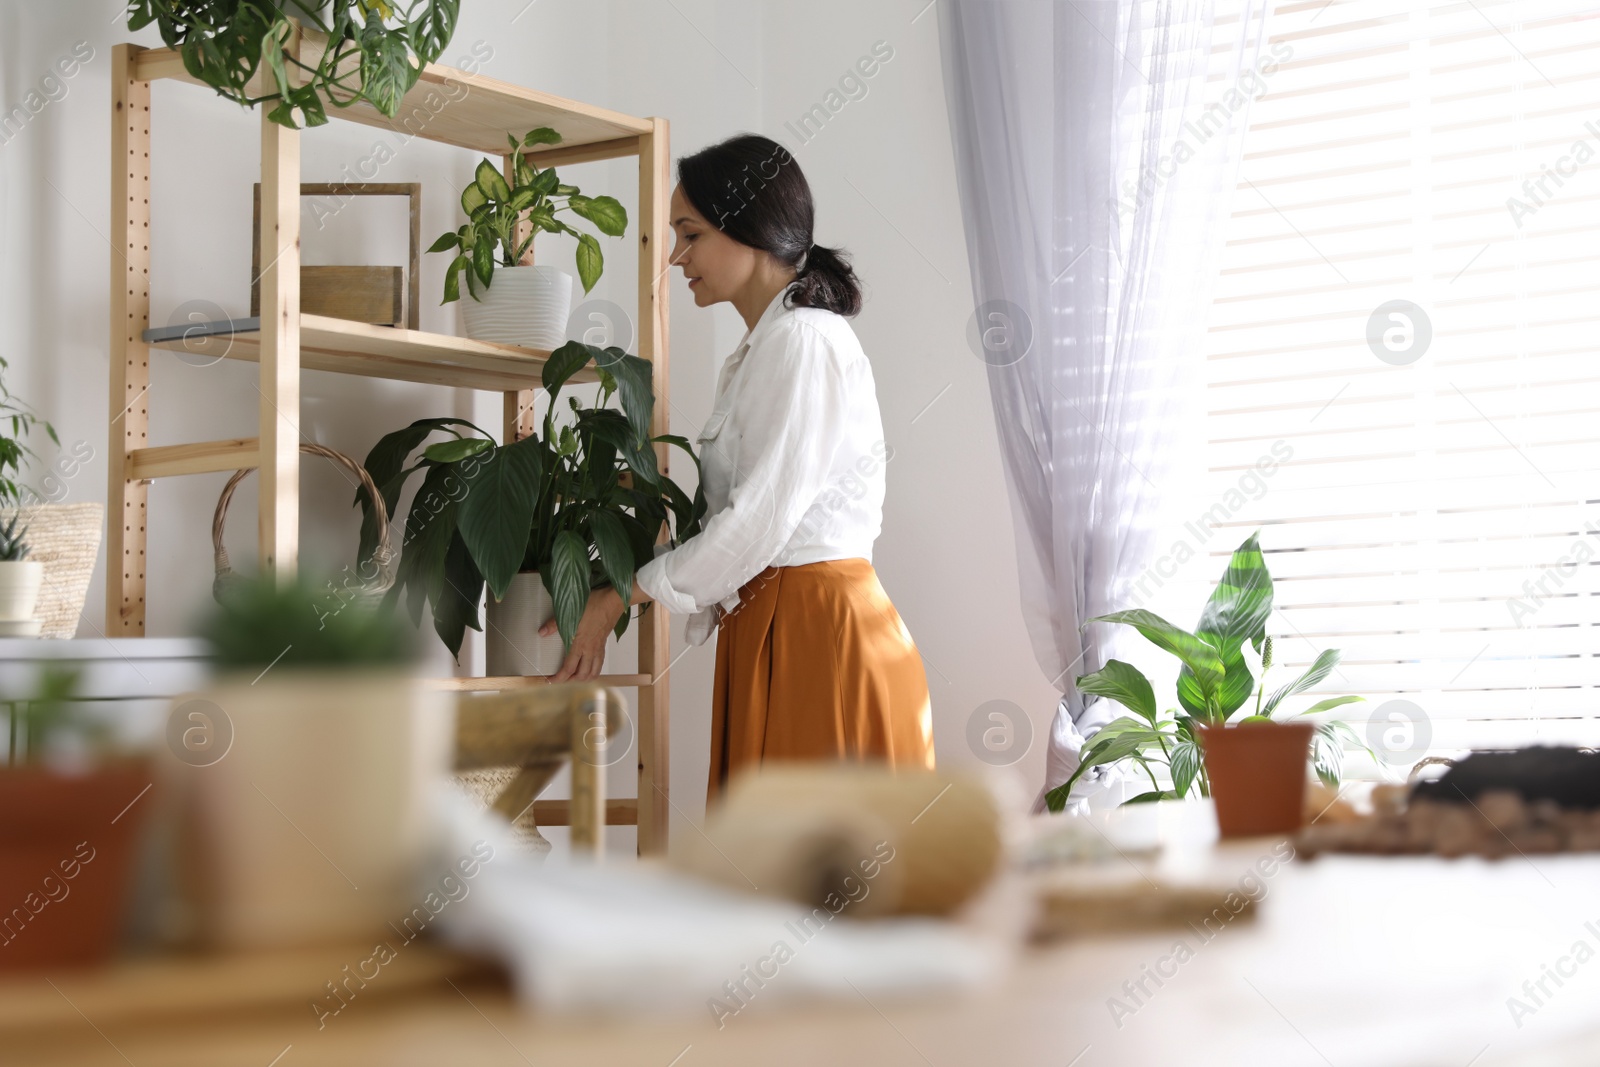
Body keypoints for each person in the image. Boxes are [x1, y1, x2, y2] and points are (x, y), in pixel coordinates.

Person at [539, 132, 934, 800]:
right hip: (779, 627)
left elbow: (756, 522)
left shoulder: (804, 342)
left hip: (817, 633)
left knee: (810, 885)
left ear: (747, 226)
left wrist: (616, 598)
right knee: (772, 885)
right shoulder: (765, 348)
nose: (675, 256)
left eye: (689, 234)